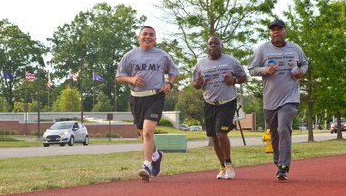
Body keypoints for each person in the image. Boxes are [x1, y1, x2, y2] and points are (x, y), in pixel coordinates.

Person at [116, 26, 179, 181]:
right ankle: (156, 156)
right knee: (143, 133)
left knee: (148, 131)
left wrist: (169, 84)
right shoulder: (130, 56)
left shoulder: (162, 55)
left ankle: (146, 165)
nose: (148, 37)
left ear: (155, 38)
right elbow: (119, 77)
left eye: (151, 35)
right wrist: (132, 79)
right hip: (136, 98)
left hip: (155, 97)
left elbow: (174, 72)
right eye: (144, 34)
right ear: (139, 37)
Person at [248, 19, 308, 181]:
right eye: (273, 30)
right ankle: (278, 160)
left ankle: (284, 166)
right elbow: (252, 70)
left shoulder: (295, 49)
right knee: (274, 132)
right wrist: (266, 70)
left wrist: (300, 73)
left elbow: (304, 64)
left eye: (279, 29)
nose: (276, 32)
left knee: (283, 129)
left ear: (285, 31)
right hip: (270, 100)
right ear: (270, 33)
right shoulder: (262, 49)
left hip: (290, 98)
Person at [192, 36, 247, 180]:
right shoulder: (200, 64)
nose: (213, 46)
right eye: (211, 44)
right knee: (214, 138)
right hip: (209, 104)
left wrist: (234, 80)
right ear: (207, 46)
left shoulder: (231, 61)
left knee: (221, 134)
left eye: (216, 43)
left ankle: (229, 164)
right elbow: (195, 84)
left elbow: (243, 77)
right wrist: (198, 83)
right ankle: (222, 166)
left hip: (227, 103)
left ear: (221, 45)